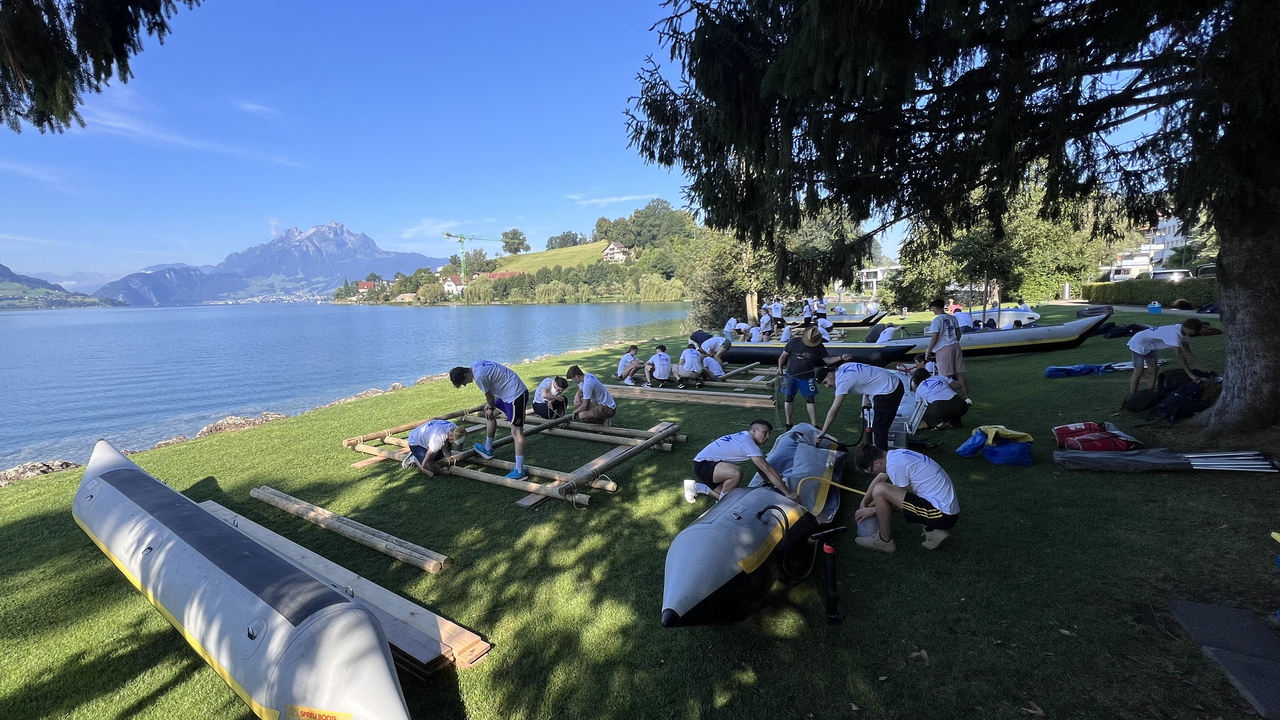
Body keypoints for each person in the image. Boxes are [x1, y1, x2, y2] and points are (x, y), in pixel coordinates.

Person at [852, 444, 959, 552]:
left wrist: (874, 510)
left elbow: (901, 502)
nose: (873, 473)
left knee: (880, 490)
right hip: (945, 510)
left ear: (877, 463)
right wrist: (864, 502)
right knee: (882, 489)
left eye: (870, 471)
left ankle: (884, 542)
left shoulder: (895, 466)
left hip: (942, 515)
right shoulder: (895, 455)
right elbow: (880, 477)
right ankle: (933, 531)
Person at [449, 361, 530, 480]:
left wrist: (490, 407)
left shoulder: (479, 377)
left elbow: (490, 396)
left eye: (463, 383)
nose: (466, 384)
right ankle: (488, 449)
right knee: (489, 415)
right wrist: (489, 407)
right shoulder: (476, 365)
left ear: (466, 375)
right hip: (507, 394)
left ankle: (519, 471)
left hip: (515, 395)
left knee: (517, 433)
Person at [684, 420, 797, 503]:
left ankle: (694, 486)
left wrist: (768, 480)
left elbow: (760, 466)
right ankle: (722, 505)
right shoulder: (748, 443)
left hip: (705, 464)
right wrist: (788, 493)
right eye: (765, 432)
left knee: (733, 495)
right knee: (735, 473)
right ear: (753, 431)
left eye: (769, 434)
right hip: (704, 464)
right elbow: (767, 469)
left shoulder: (745, 437)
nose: (767, 436)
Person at [816, 361, 904, 450]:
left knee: (879, 429)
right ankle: (877, 453)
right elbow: (866, 372)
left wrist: (823, 433)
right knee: (878, 427)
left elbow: (833, 411)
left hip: (890, 390)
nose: (827, 386)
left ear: (830, 374)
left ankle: (881, 460)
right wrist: (867, 395)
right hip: (891, 381)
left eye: (825, 382)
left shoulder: (843, 381)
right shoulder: (844, 367)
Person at [777, 326, 852, 428]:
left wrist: (841, 357)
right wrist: (780, 368)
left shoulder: (819, 347)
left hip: (807, 377)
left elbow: (828, 360)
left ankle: (814, 424)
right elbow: (783, 356)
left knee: (810, 400)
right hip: (791, 375)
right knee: (789, 398)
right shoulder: (794, 342)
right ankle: (788, 423)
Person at [1127, 318, 1209, 393]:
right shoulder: (1174, 334)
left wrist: (1200, 366)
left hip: (1150, 346)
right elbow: (1179, 355)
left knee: (1154, 370)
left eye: (1194, 332)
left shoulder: (1184, 333)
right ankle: (1132, 395)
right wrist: (1189, 373)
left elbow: (1187, 351)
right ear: (1186, 327)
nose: (1192, 333)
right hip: (1138, 343)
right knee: (1139, 371)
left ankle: (1149, 393)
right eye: (1191, 331)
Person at [926, 299, 972, 404]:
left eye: (933, 308)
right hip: (955, 345)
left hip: (943, 347)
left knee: (945, 374)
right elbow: (958, 333)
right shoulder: (952, 318)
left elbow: (935, 337)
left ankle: (947, 398)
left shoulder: (937, 320)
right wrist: (955, 341)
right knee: (959, 372)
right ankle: (966, 397)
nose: (932, 310)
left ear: (937, 308)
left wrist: (929, 350)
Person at [402, 419, 469, 476]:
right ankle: (414, 458)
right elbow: (426, 463)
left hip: (431, 437)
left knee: (440, 460)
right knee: (431, 472)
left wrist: (451, 464)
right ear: (451, 436)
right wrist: (443, 473)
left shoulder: (456, 429)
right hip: (415, 442)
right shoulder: (437, 439)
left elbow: (447, 450)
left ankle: (420, 456)